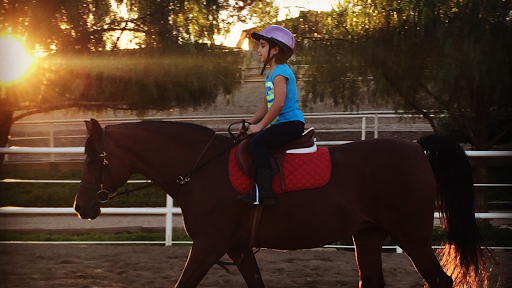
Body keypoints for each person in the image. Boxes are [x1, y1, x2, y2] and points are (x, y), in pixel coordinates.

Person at [237, 25, 305, 205]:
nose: (258, 51)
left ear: (275, 49)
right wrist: (249, 123)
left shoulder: (281, 72)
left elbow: (279, 103)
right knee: (253, 139)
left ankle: (264, 193)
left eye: (262, 46)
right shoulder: (270, 73)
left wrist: (260, 127)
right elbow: (266, 106)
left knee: (257, 142)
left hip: (291, 123)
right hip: (281, 123)